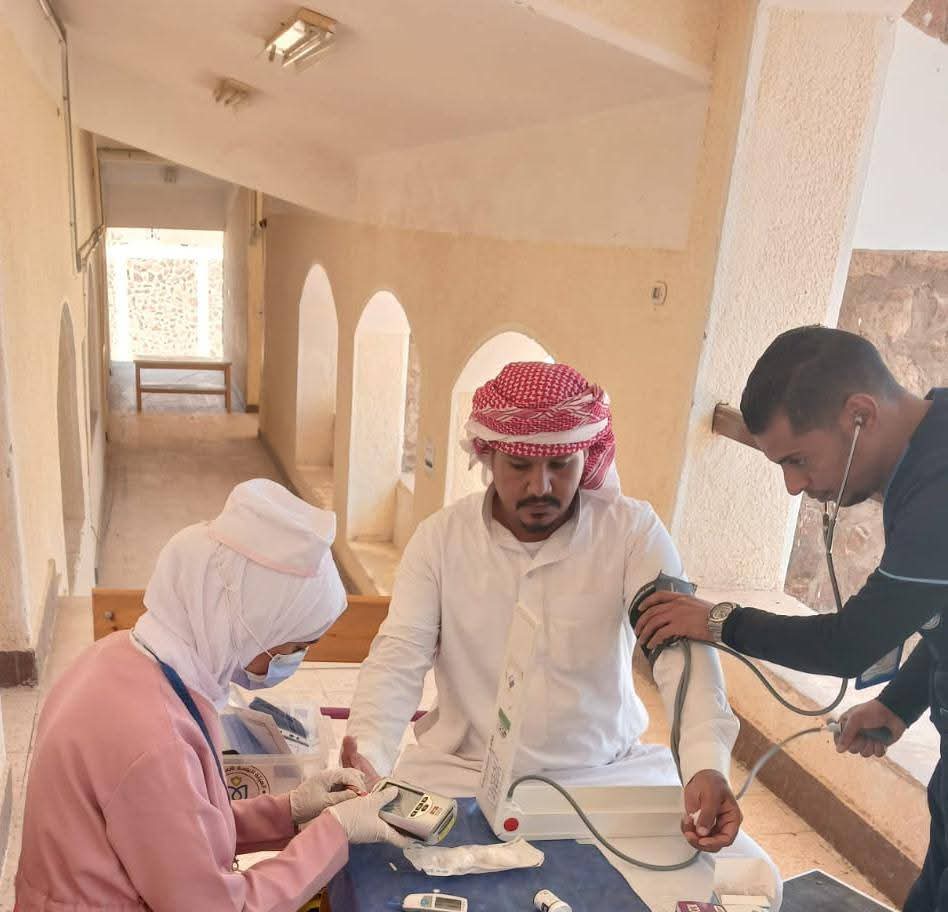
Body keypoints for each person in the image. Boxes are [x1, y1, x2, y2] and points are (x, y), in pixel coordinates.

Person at [341, 361, 772, 864]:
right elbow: (399, 656)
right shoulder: (440, 540)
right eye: (520, 466)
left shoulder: (632, 533)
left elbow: (680, 653)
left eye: (561, 465)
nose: (540, 486)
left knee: (742, 876)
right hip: (461, 772)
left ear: (587, 456)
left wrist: (705, 764)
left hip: (604, 772)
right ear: (487, 455)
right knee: (378, 865)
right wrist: (368, 752)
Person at [634, 326, 948, 911]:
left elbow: (848, 644)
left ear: (859, 415)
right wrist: (901, 702)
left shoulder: (940, 487)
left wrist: (718, 621)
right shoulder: (928, 453)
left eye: (799, 460)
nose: (794, 486)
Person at [15, 479, 408, 912]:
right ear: (250, 624)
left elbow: (178, 832)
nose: (293, 661)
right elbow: (218, 906)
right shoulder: (155, 740)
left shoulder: (122, 656)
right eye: (294, 646)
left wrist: (289, 811)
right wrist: (334, 832)